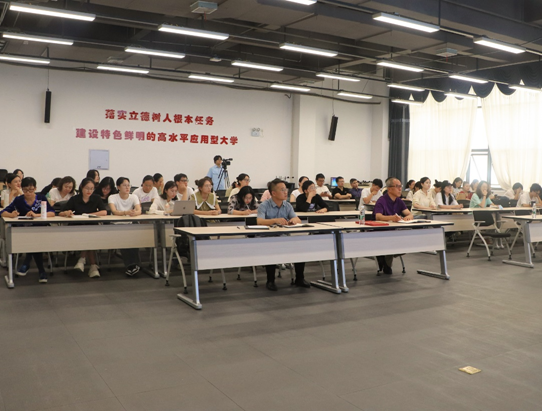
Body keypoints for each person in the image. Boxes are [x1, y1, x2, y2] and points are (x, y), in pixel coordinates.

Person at [257, 178, 310, 290]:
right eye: (282, 190)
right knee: (271, 249)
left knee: (300, 249)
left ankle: (299, 279)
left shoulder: (287, 205)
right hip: (267, 239)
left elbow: (297, 219)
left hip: (284, 238)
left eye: (286, 189)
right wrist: (275, 220)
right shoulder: (264, 205)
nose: (286, 192)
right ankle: (270, 281)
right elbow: (259, 221)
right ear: (273, 193)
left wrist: (294, 220)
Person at [0, 177, 55, 283]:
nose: (28, 193)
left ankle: (27, 263)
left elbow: (52, 213)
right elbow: (3, 212)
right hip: (24, 231)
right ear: (22, 189)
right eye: (25, 190)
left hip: (40, 229)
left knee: (35, 240)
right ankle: (41, 271)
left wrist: (36, 215)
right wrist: (11, 215)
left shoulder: (41, 198)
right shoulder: (19, 200)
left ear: (35, 188)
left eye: (31, 190)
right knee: (34, 241)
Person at [59, 178, 107, 278]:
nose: (89, 191)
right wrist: (67, 212)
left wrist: (88, 215)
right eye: (87, 188)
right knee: (89, 238)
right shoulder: (75, 199)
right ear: (81, 187)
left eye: (92, 188)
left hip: (91, 227)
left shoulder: (96, 198)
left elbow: (104, 212)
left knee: (89, 236)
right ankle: (92, 266)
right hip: (77, 228)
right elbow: (61, 212)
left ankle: (82, 259)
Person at [374, 177, 414, 274]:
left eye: (401, 186)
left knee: (408, 243)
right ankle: (385, 261)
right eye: (397, 186)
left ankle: (383, 257)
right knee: (391, 242)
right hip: (380, 231)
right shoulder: (382, 200)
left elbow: (409, 214)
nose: (400, 189)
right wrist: (392, 217)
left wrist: (408, 217)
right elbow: (378, 216)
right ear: (389, 189)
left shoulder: (399, 201)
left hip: (393, 231)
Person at [108, 177, 142, 276]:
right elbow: (114, 211)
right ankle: (132, 265)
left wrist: (135, 213)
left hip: (129, 224)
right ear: (118, 187)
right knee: (125, 239)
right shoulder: (112, 197)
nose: (127, 187)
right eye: (124, 185)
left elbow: (139, 210)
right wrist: (125, 212)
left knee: (134, 240)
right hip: (116, 225)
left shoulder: (133, 197)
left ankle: (134, 265)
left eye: (128, 185)